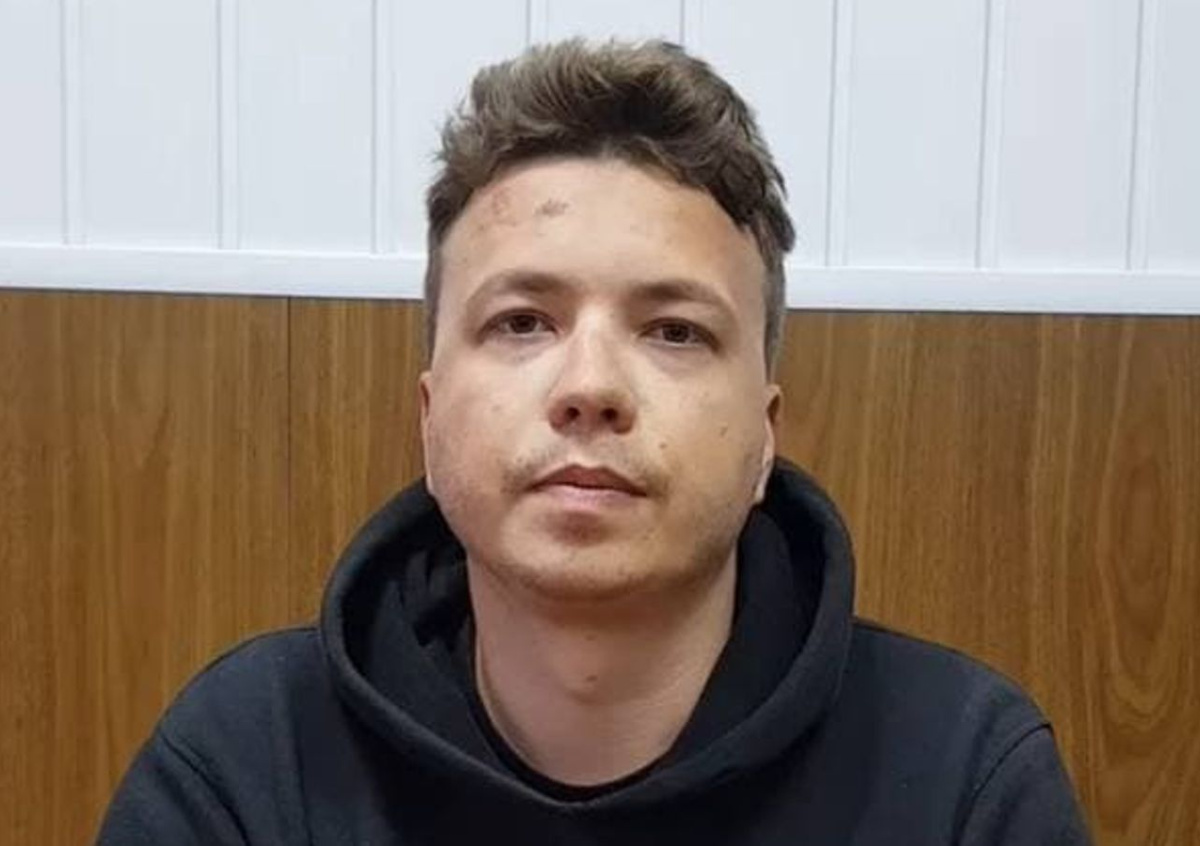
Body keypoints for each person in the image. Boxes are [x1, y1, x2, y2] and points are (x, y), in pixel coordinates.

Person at [97, 39, 1090, 844]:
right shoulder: (248, 762)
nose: (590, 388)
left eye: (675, 332)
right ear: (430, 419)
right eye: (523, 321)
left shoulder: (962, 775)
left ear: (764, 439)